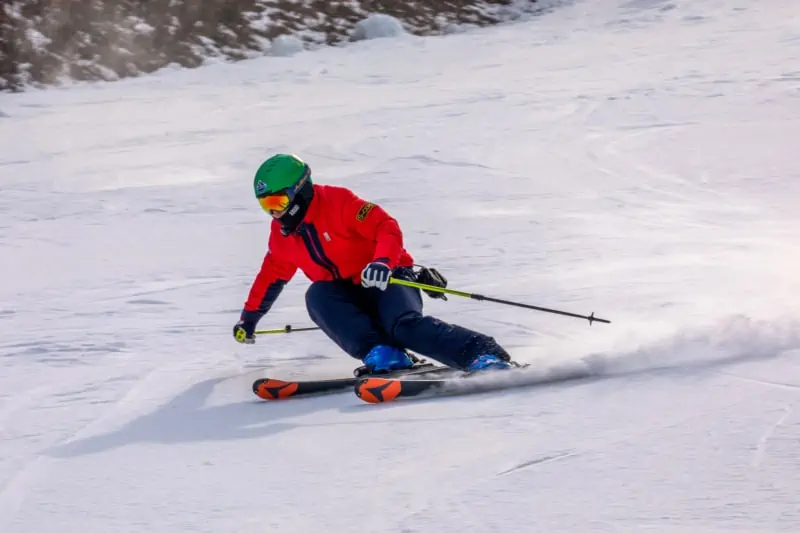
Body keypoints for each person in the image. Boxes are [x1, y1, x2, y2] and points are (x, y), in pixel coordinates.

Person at [233, 153, 514, 375]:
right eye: (265, 205)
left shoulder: (338, 202)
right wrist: (249, 319)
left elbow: (385, 226)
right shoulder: (283, 235)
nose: (274, 212)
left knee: (403, 327)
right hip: (347, 296)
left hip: (386, 279)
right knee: (317, 295)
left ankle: (481, 353)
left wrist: (382, 261)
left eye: (278, 201)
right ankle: (386, 354)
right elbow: (271, 275)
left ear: (300, 191)